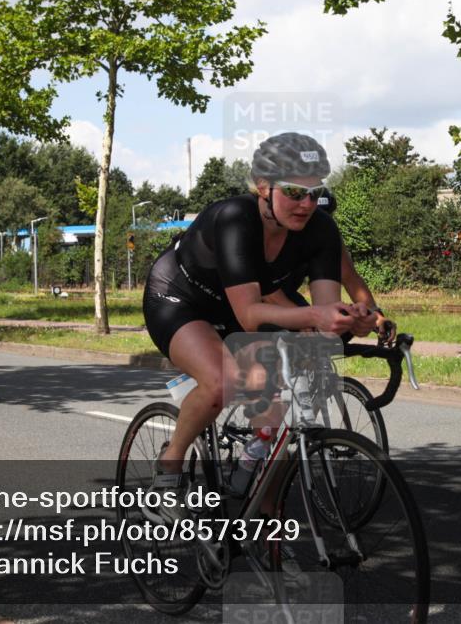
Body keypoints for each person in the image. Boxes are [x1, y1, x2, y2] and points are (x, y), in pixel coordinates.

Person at [143, 133, 371, 516]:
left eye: (314, 192)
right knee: (221, 382)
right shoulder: (235, 218)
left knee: (279, 394)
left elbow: (325, 312)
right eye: (294, 191)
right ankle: (170, 466)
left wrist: (353, 321)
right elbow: (250, 314)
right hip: (181, 299)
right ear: (263, 186)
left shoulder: (320, 230)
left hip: (239, 305)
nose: (306, 204)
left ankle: (265, 514)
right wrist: (316, 317)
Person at [271, 188, 397, 344]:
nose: (317, 222)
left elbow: (350, 277)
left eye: (327, 215)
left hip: (288, 294)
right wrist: (304, 318)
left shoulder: (326, 233)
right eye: (318, 215)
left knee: (325, 335)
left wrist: (376, 317)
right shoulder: (275, 230)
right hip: (258, 297)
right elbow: (264, 288)